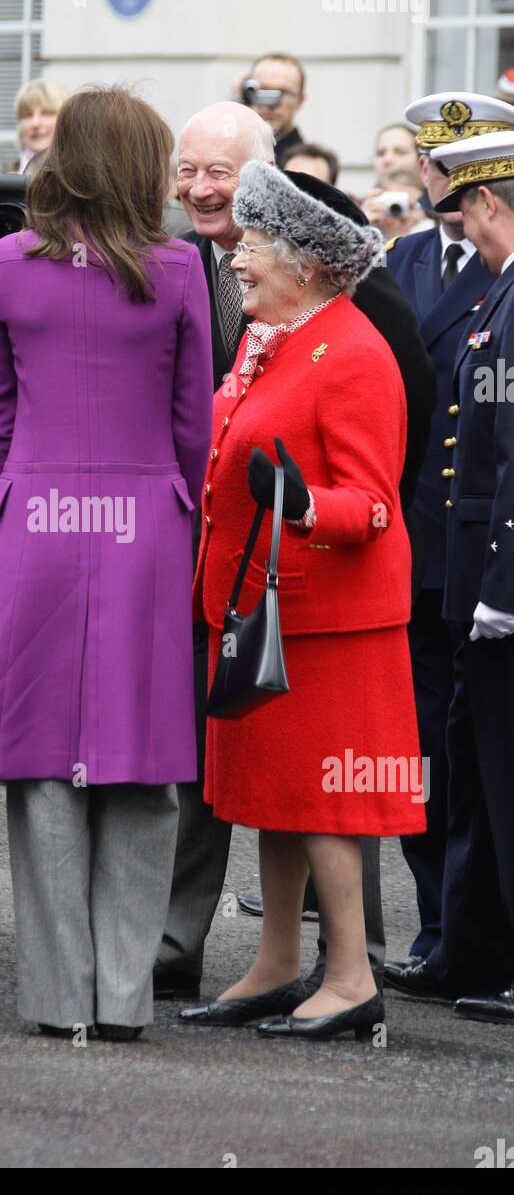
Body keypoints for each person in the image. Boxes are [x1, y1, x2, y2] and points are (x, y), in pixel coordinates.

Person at [0, 86, 213, 1040]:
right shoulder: (180, 268)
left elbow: (0, 406)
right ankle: (124, 997)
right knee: (143, 768)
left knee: (44, 765)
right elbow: (195, 425)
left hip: (39, 520)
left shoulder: (11, 265)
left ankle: (60, 1001)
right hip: (147, 522)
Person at [180, 159, 424, 1042]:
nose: (237, 260)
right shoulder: (267, 340)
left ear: (307, 266)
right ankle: (278, 962)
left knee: (326, 803)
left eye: (252, 246)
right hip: (262, 611)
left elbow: (375, 500)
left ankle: (352, 976)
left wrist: (305, 505)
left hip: (328, 622)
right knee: (271, 795)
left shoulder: (355, 350)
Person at [383, 93, 514, 980]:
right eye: (437, 166)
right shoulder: (401, 259)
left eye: (462, 177)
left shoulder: (502, 280)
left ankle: (469, 940)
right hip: (423, 540)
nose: (445, 188)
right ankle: (446, 928)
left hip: (480, 553)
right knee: (428, 746)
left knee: (476, 753)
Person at [151, 100, 273, 1001]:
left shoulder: (309, 260)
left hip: (264, 555)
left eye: (217, 172)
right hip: (159, 536)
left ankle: (320, 950)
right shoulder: (150, 261)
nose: (198, 189)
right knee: (166, 743)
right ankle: (159, 937)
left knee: (243, 751)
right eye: (185, 171)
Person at [239, 53, 306, 167]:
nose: (271, 104)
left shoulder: (304, 163)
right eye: (263, 90)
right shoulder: (238, 147)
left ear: (300, 100)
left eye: (282, 92)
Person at [14, 78, 68, 170]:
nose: (35, 123)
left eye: (46, 113)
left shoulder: (80, 175)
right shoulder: (7, 173)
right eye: (28, 115)